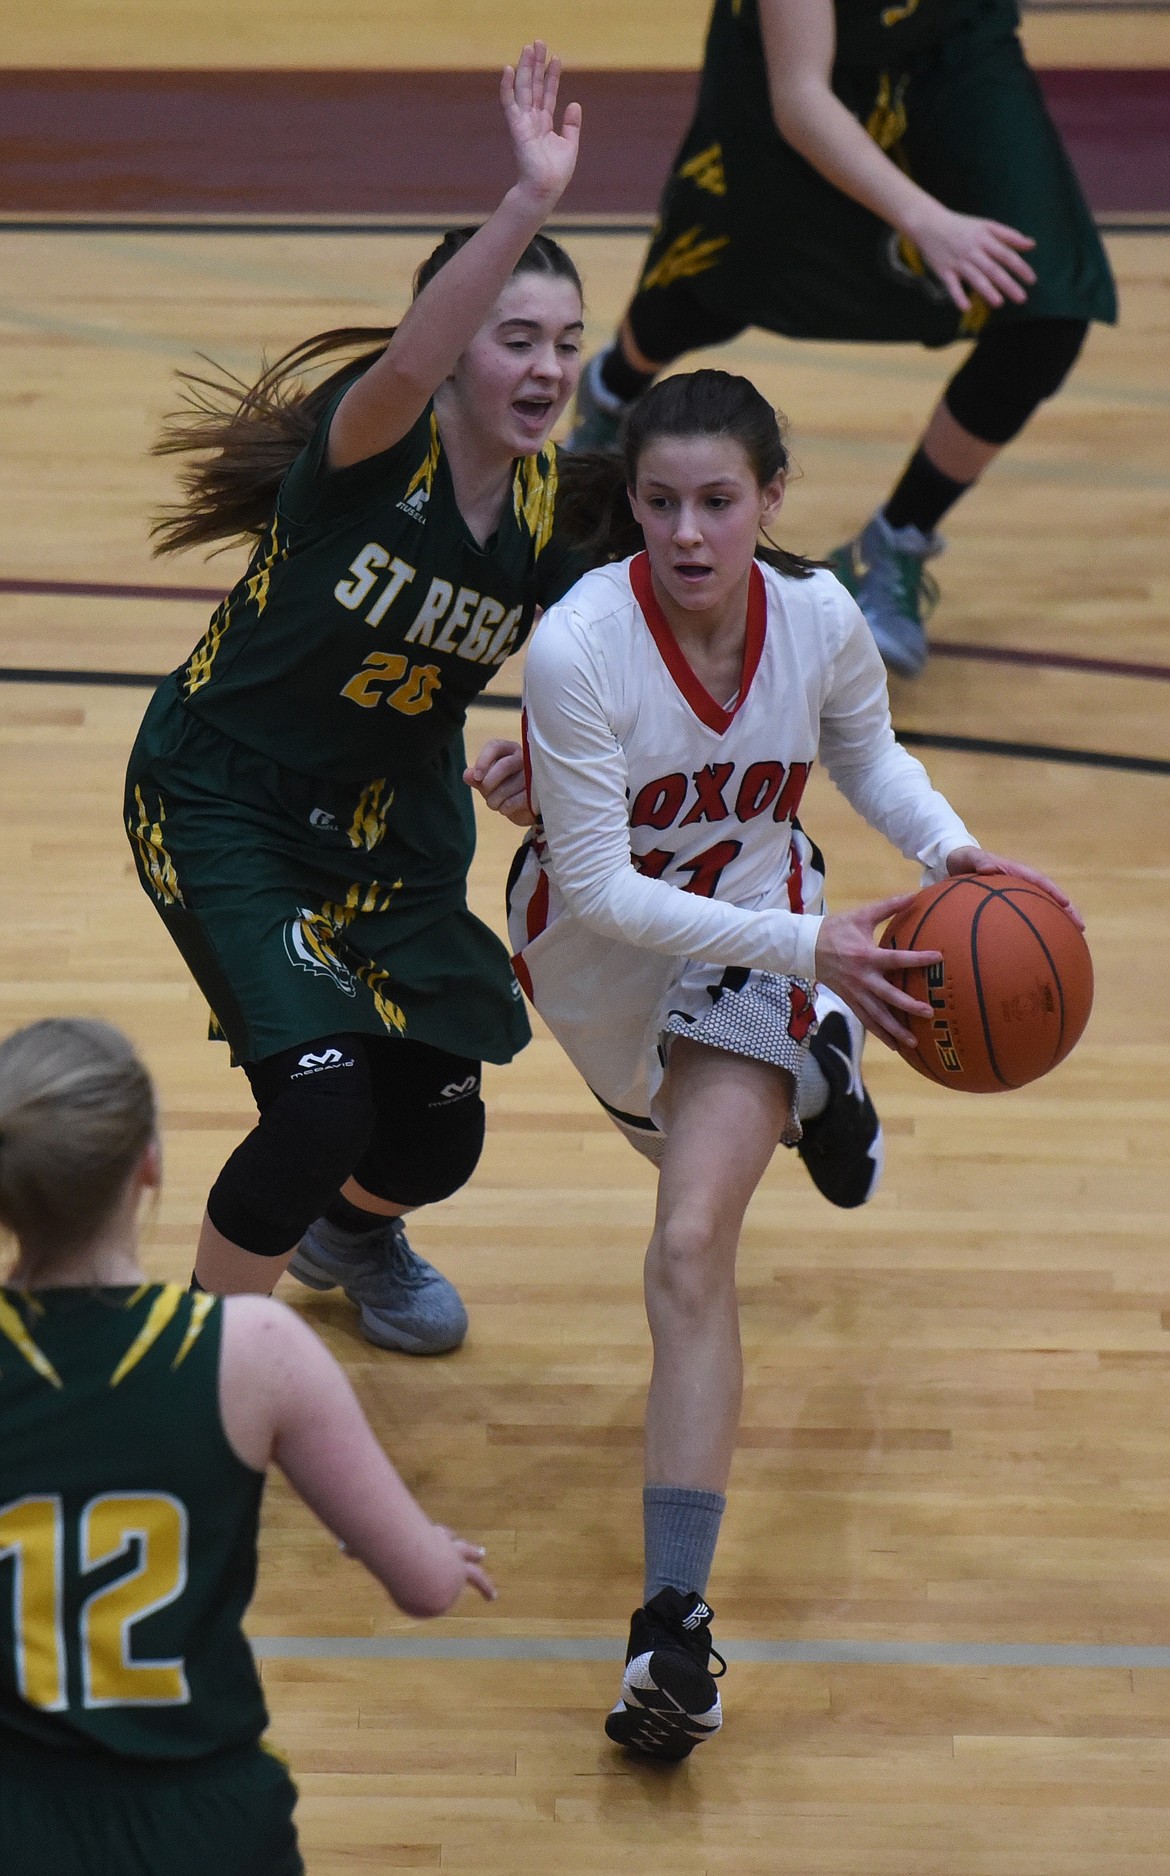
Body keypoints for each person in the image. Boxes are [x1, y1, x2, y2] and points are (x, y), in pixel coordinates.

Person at [505, 369, 1080, 1761]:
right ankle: (829, 1076)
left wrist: (952, 855)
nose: (688, 533)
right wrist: (813, 948)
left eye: (717, 501)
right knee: (687, 1163)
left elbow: (867, 756)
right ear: (629, 503)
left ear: (772, 496)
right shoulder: (580, 647)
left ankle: (671, 1631)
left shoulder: (815, 617)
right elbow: (598, 895)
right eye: (659, 504)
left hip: (756, 951)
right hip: (605, 965)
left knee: (687, 1251)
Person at [124, 45, 586, 1349]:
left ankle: (356, 1231)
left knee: (435, 1129)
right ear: (452, 350)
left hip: (395, 827)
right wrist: (526, 208)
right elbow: (405, 359)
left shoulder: (559, 510)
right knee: (319, 1103)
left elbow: (602, 657)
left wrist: (552, 755)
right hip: (226, 801)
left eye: (566, 343)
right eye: (512, 337)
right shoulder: (373, 446)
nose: (544, 367)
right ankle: (201, 1375)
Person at [0, 1017, 494, 1875]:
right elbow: (422, 1589)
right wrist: (441, 1557)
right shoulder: (253, 1347)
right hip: (203, 1822)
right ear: (147, 1165)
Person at [568, 0, 1116, 677]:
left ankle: (895, 542)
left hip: (953, 50)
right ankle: (613, 392)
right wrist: (924, 218)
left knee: (1043, 308)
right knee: (708, 286)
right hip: (791, 74)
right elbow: (800, 98)